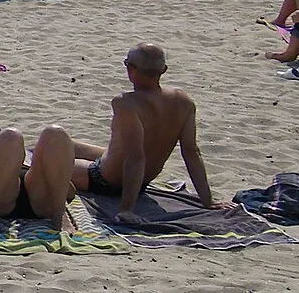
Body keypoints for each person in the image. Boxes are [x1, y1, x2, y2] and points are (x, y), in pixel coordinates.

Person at [71, 43, 212, 211]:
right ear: (164, 70)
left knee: (46, 160)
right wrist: (208, 202)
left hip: (106, 181)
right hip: (142, 181)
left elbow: (135, 157)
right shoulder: (183, 101)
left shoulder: (127, 103)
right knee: (65, 144)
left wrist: (126, 209)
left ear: (130, 70)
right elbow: (191, 152)